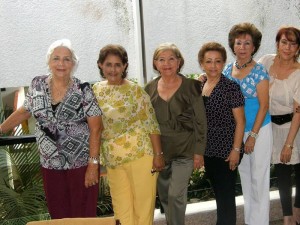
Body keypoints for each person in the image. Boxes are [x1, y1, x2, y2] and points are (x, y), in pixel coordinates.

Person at [0, 39, 103, 219]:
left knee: (83, 215)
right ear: (49, 62)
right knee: (58, 214)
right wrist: (1, 129)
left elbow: (96, 128)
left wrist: (93, 165)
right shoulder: (36, 85)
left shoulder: (83, 89)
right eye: (56, 58)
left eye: (66, 59)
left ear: (73, 64)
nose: (61, 64)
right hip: (50, 163)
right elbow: (25, 112)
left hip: (80, 163)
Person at [92, 44, 164, 225]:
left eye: (118, 64)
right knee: (121, 212)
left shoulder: (135, 91)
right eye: (108, 64)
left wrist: (158, 155)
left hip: (140, 155)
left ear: (125, 66)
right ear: (100, 65)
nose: (113, 69)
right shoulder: (96, 90)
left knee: (142, 209)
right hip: (113, 159)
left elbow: (151, 123)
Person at [145, 42, 207, 225]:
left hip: (185, 150)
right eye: (161, 59)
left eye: (171, 58)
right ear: (155, 63)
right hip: (160, 152)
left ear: (179, 61)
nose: (167, 63)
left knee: (175, 195)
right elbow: (147, 123)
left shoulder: (192, 86)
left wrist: (199, 151)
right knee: (165, 196)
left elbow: (200, 121)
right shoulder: (148, 89)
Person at [222, 22, 273, 225]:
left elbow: (264, 106)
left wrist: (253, 135)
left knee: (259, 179)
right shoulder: (226, 69)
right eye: (238, 43)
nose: (242, 47)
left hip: (259, 129)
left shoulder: (260, 72)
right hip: (237, 131)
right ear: (232, 46)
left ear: (254, 47)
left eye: (247, 43)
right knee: (245, 177)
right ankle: (251, 221)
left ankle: (260, 222)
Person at [198, 42, 245, 225]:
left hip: (227, 150)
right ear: (202, 63)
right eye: (208, 61)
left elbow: (240, 121)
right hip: (209, 150)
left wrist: (235, 150)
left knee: (226, 198)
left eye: (218, 61)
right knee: (219, 194)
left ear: (224, 62)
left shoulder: (230, 87)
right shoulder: (202, 83)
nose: (213, 65)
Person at [258, 26, 300, 225]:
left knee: (299, 170)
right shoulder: (266, 61)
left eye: (293, 44)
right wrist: (210, 78)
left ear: (298, 48)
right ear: (277, 43)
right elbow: (246, 74)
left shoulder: (299, 73)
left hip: (295, 127)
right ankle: (287, 216)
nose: (288, 47)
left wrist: (289, 143)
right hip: (272, 126)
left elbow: (299, 111)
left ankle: (297, 209)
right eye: (284, 42)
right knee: (282, 171)